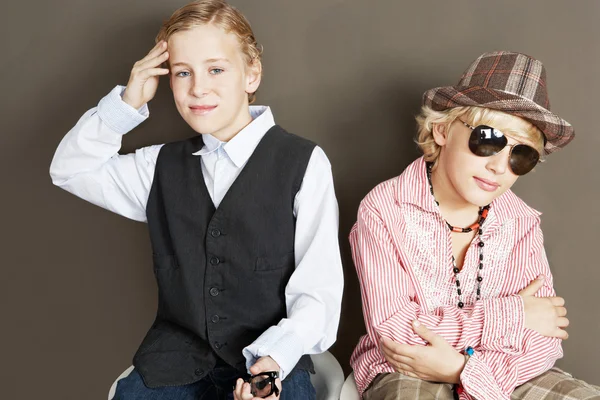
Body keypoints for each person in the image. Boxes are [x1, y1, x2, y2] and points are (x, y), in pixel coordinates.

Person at [49, 1, 343, 399]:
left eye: (216, 69)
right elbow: (70, 169)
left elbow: (317, 291)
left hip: (272, 361)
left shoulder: (304, 162)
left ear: (251, 73)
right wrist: (126, 104)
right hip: (174, 362)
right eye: (182, 72)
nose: (198, 88)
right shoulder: (158, 166)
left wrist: (272, 362)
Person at [349, 51, 600, 399]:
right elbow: (398, 334)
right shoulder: (384, 209)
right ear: (441, 130)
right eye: (488, 139)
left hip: (506, 374)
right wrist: (513, 315)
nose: (500, 166)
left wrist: (464, 371)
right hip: (409, 368)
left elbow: (545, 338)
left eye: (520, 155)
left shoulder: (520, 222)